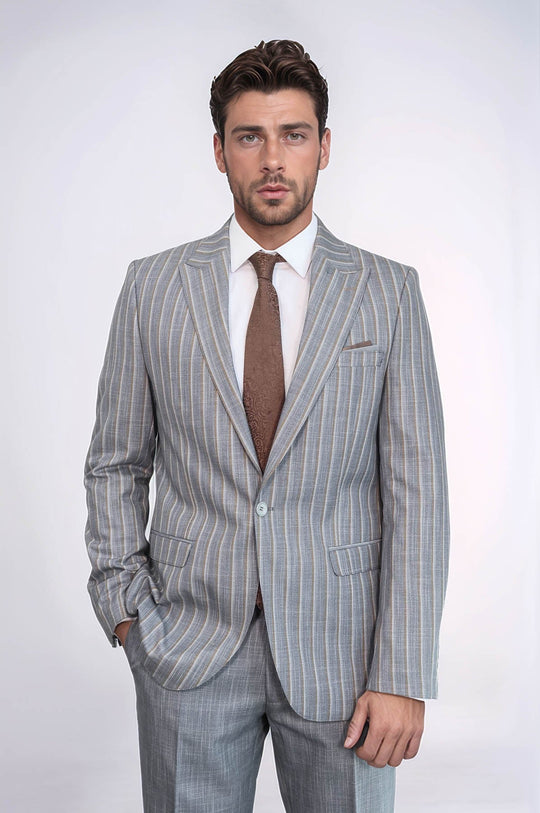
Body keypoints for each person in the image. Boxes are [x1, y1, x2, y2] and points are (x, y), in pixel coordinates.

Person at [85, 39, 449, 813]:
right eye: (250, 136)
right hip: (185, 648)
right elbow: (116, 460)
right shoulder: (153, 287)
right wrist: (126, 612)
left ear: (325, 146)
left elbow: (417, 493)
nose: (273, 158)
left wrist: (404, 671)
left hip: (346, 658)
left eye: (294, 134)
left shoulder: (387, 293)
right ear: (220, 152)